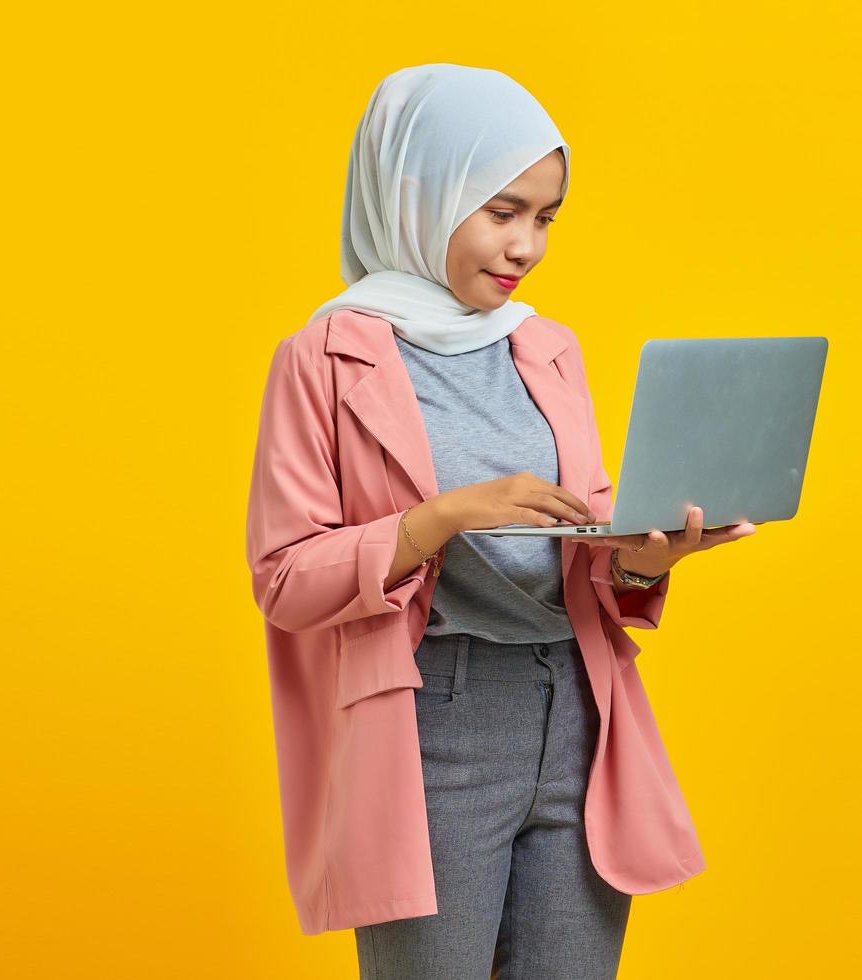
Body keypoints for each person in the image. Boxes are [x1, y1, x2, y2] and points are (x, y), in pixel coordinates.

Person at [245, 63, 755, 979]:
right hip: (430, 722)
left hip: (579, 712)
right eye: (502, 210)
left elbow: (582, 546)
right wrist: (437, 519)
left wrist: (643, 560)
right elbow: (284, 579)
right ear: (420, 191)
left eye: (547, 217)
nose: (527, 245)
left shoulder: (548, 348)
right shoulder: (322, 356)